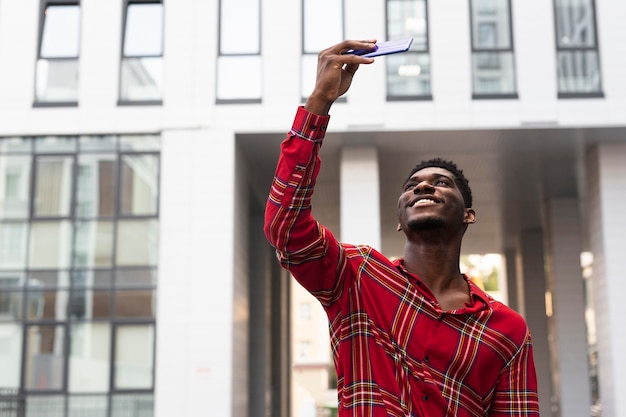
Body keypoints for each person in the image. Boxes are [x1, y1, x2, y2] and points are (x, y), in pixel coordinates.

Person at [264, 39, 540, 417]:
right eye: (411, 186)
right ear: (399, 220)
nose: (423, 186)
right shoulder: (355, 276)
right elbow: (286, 229)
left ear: (468, 215)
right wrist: (319, 102)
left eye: (441, 182)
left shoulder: (508, 330)